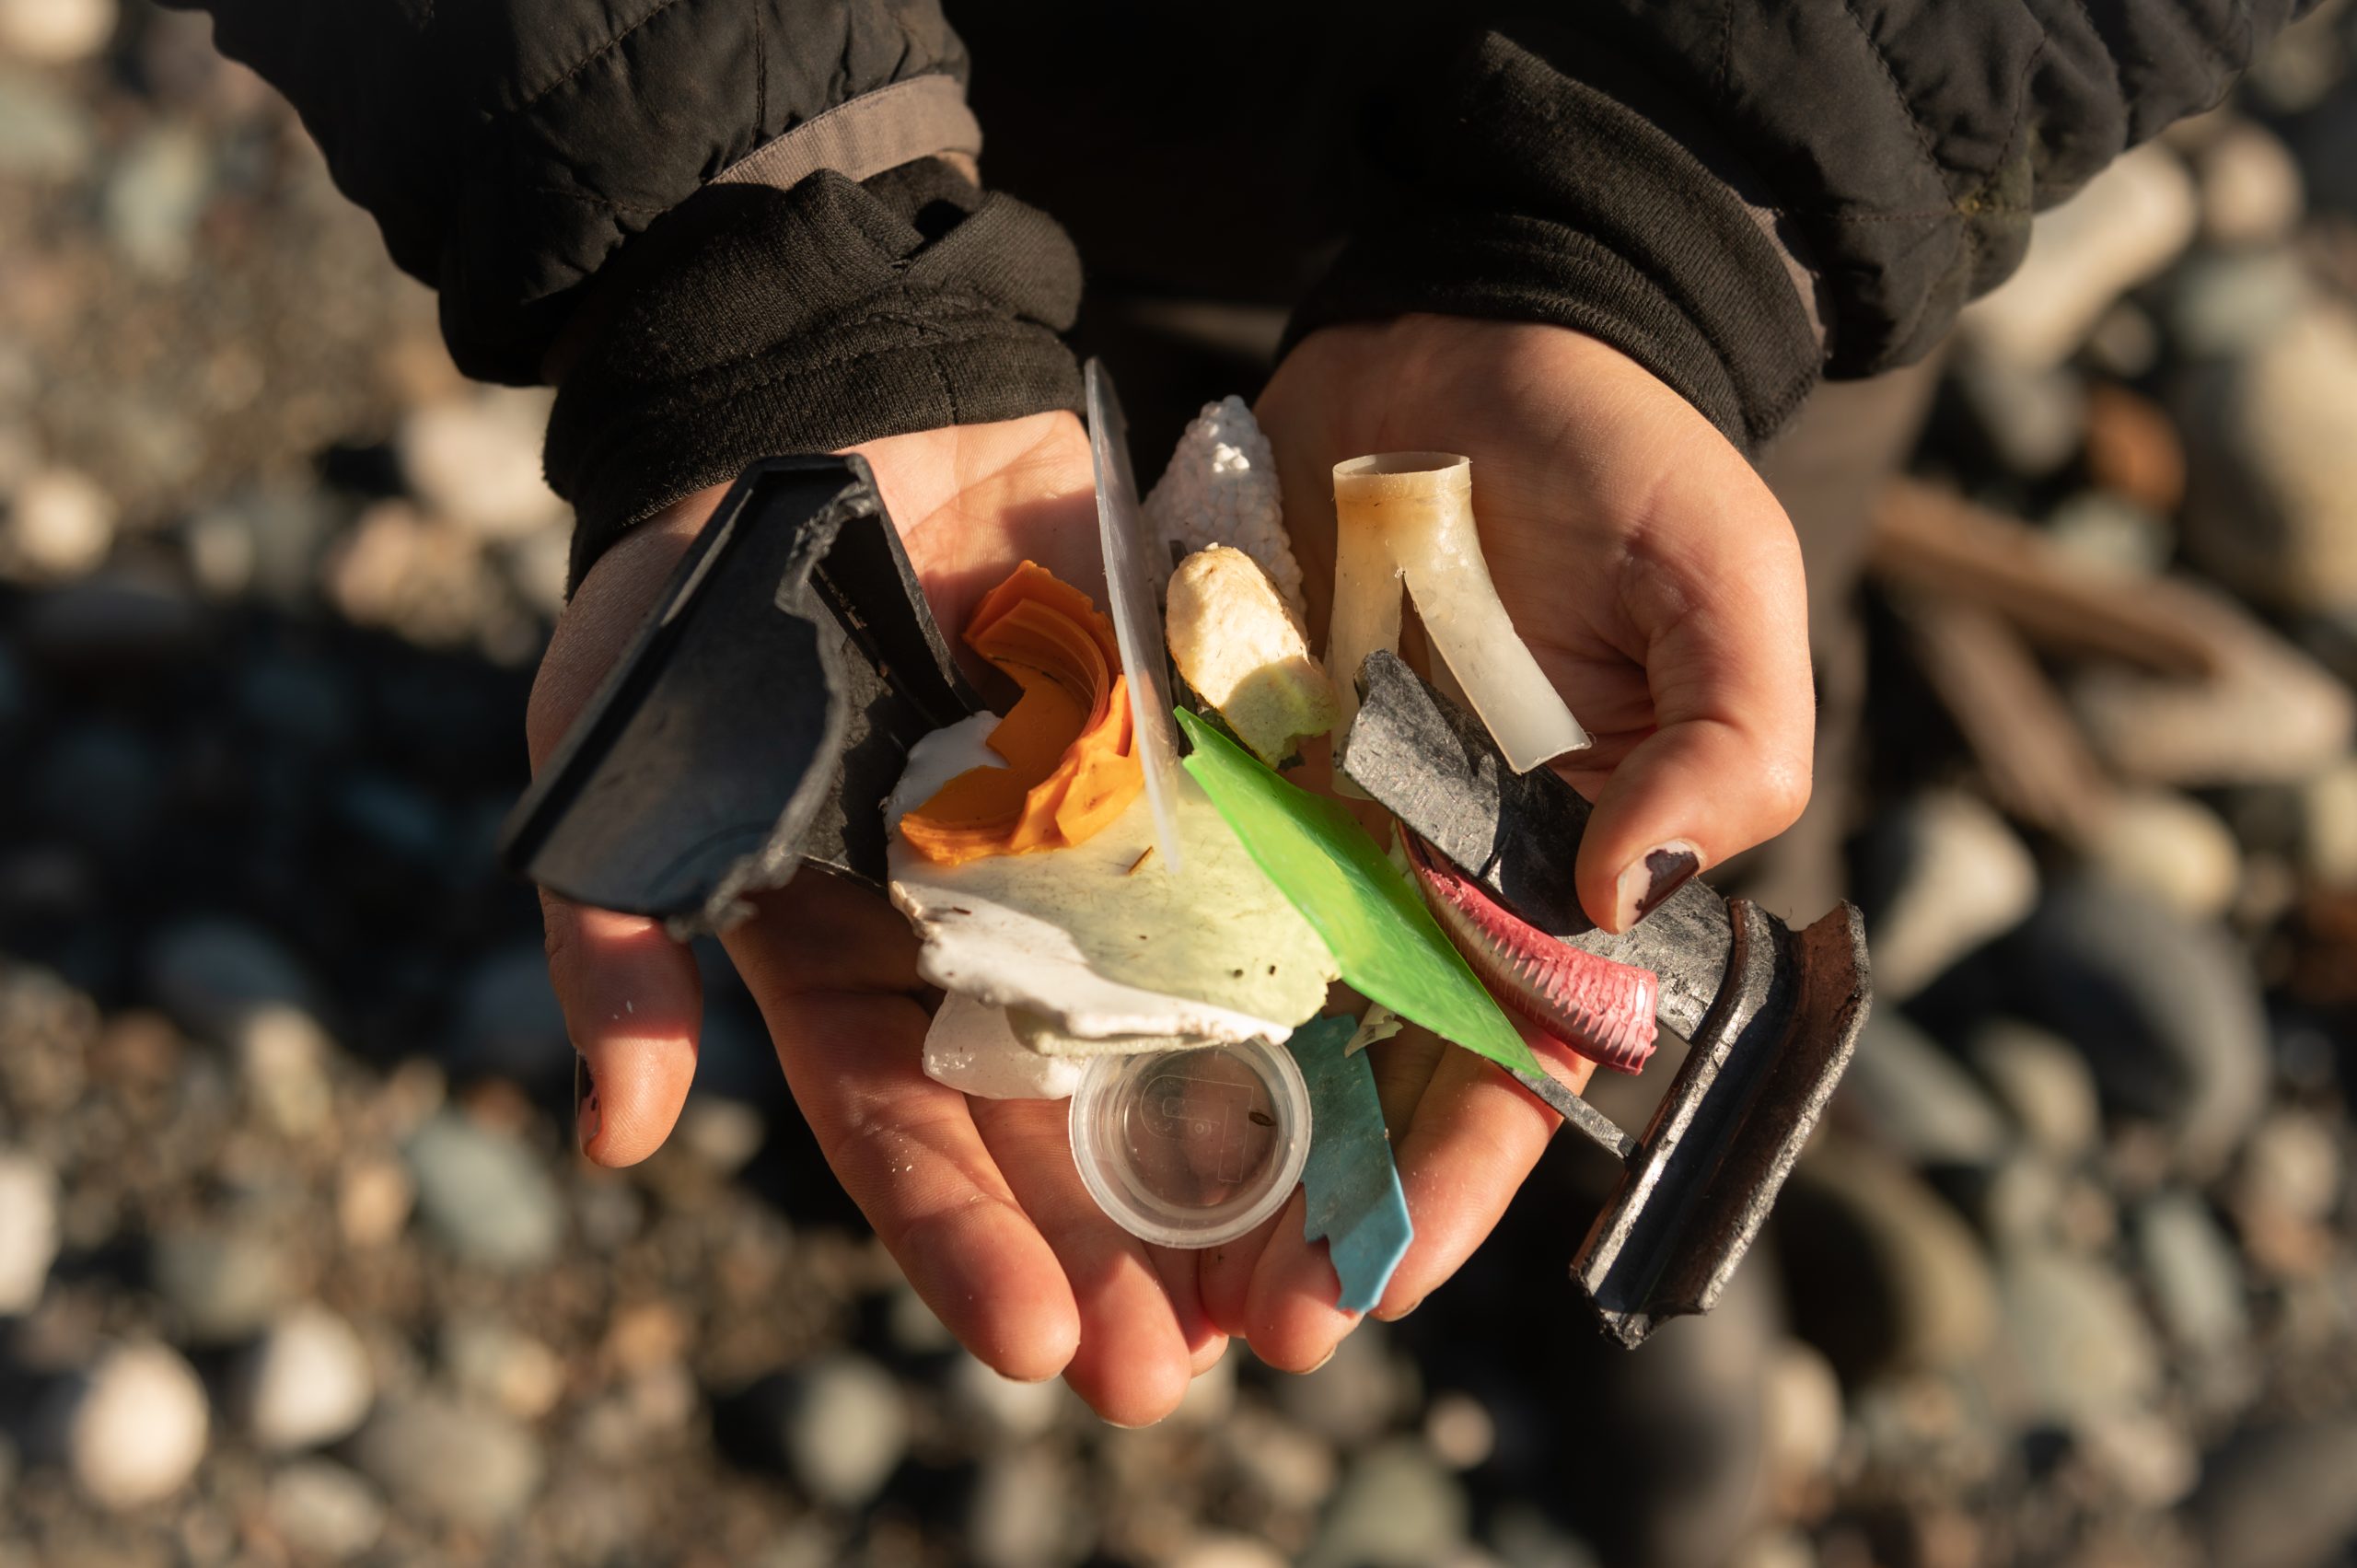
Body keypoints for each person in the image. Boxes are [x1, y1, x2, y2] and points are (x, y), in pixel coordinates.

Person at [172, 1, 2315, 1425]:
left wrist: (1692, 201)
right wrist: (746, 244)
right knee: (1410, 534)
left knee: (1658, 686)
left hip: (1702, 145)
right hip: (905, 76)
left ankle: (1639, 1144)